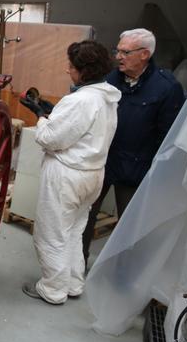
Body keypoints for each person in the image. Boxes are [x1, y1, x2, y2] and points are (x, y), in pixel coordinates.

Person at [19, 40, 121, 305]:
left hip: (68, 175)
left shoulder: (81, 100)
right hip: (93, 174)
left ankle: (52, 289)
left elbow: (51, 139)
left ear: (84, 71)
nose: (68, 71)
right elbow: (82, 128)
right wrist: (53, 112)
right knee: (75, 231)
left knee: (52, 233)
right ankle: (73, 283)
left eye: (72, 66)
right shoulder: (107, 96)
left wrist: (40, 116)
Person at [81, 29, 185, 267]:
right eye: (117, 50)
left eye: (125, 52)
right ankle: (78, 264)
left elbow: (168, 137)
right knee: (84, 216)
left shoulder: (167, 88)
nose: (118, 56)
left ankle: (122, 277)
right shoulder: (110, 79)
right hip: (103, 161)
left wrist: (156, 174)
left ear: (144, 54)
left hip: (136, 168)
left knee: (131, 226)